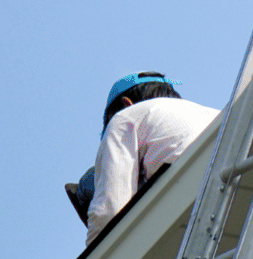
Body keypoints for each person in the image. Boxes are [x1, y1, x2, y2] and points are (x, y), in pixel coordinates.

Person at [66, 71, 220, 246]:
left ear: (126, 104)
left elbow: (109, 210)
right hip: (228, 185)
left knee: (90, 183)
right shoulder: (209, 112)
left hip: (188, 193)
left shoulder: (125, 117)